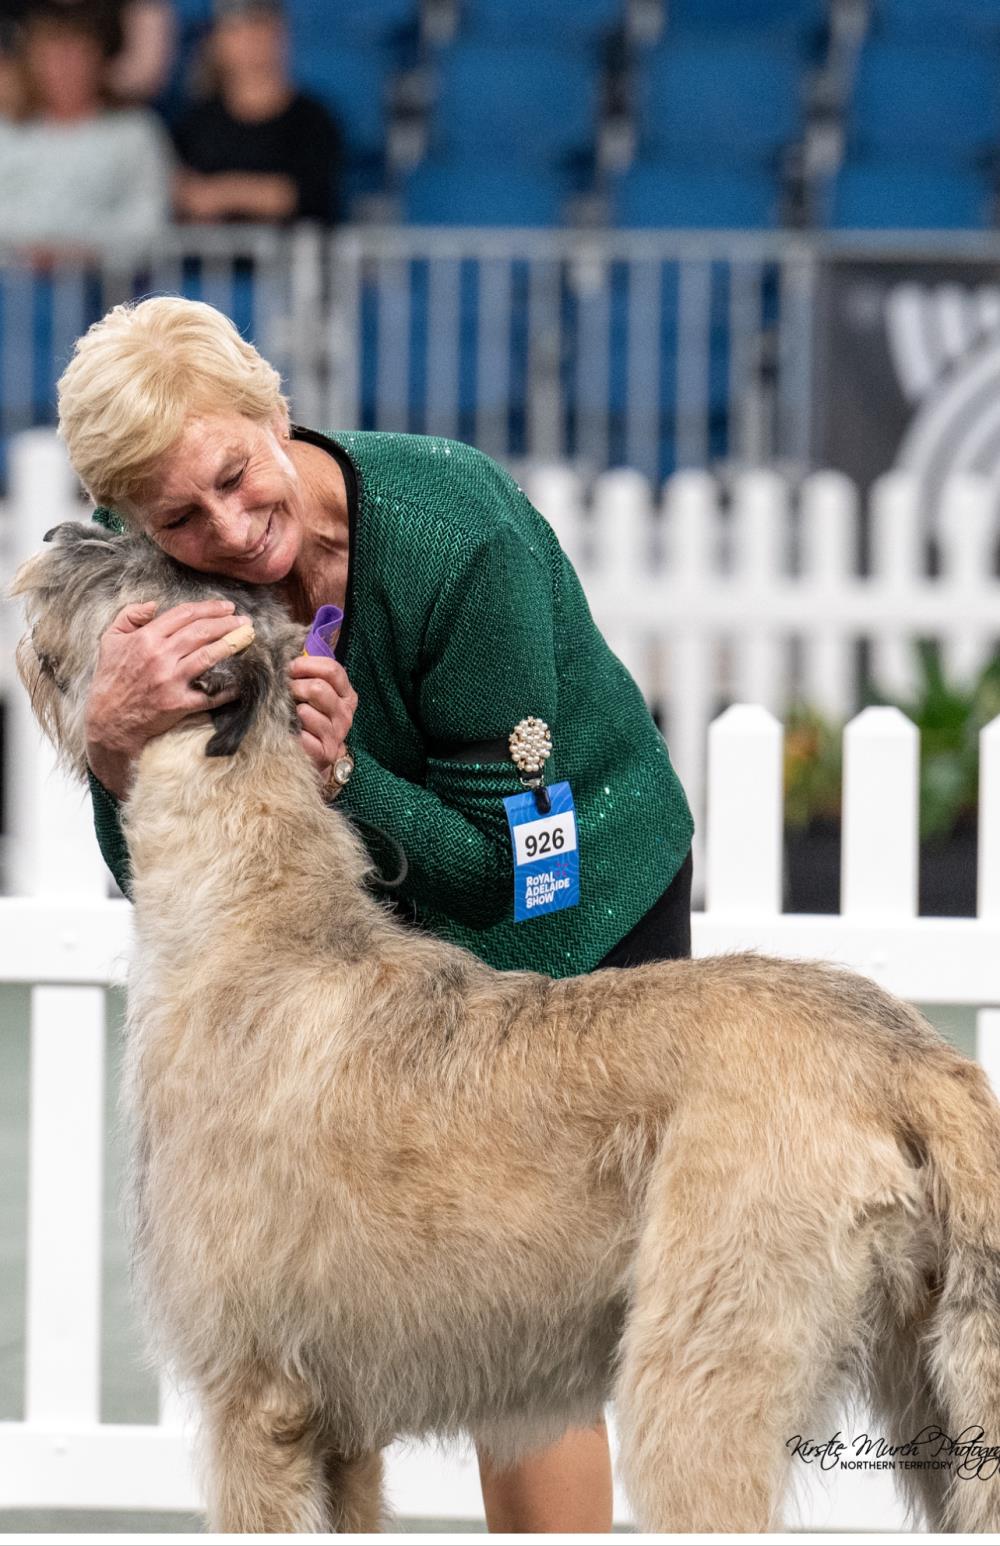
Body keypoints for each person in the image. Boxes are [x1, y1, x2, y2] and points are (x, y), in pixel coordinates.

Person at [57, 295, 694, 1533]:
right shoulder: (153, 560)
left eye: (236, 477)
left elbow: (515, 875)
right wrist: (114, 741)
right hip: (361, 928)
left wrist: (353, 778)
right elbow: (160, 870)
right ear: (131, 518)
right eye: (178, 519)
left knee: (524, 1315)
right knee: (333, 1285)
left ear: (275, 411)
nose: (226, 532)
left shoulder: (456, 530)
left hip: (570, 882)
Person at [0, 2, 171, 250]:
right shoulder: (6, 132)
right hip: (13, 271)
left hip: (108, 273)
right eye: (53, 58)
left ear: (99, 60)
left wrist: (87, 250)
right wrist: (27, 248)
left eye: (76, 56)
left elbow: (147, 214)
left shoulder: (135, 131)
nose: (64, 69)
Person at [172, 0, 341, 226]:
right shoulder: (195, 123)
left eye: (260, 26)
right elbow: (186, 195)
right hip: (212, 247)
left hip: (294, 246)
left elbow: (307, 194)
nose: (251, 39)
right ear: (216, 40)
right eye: (237, 29)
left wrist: (222, 193)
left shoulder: (313, 119)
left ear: (281, 34)